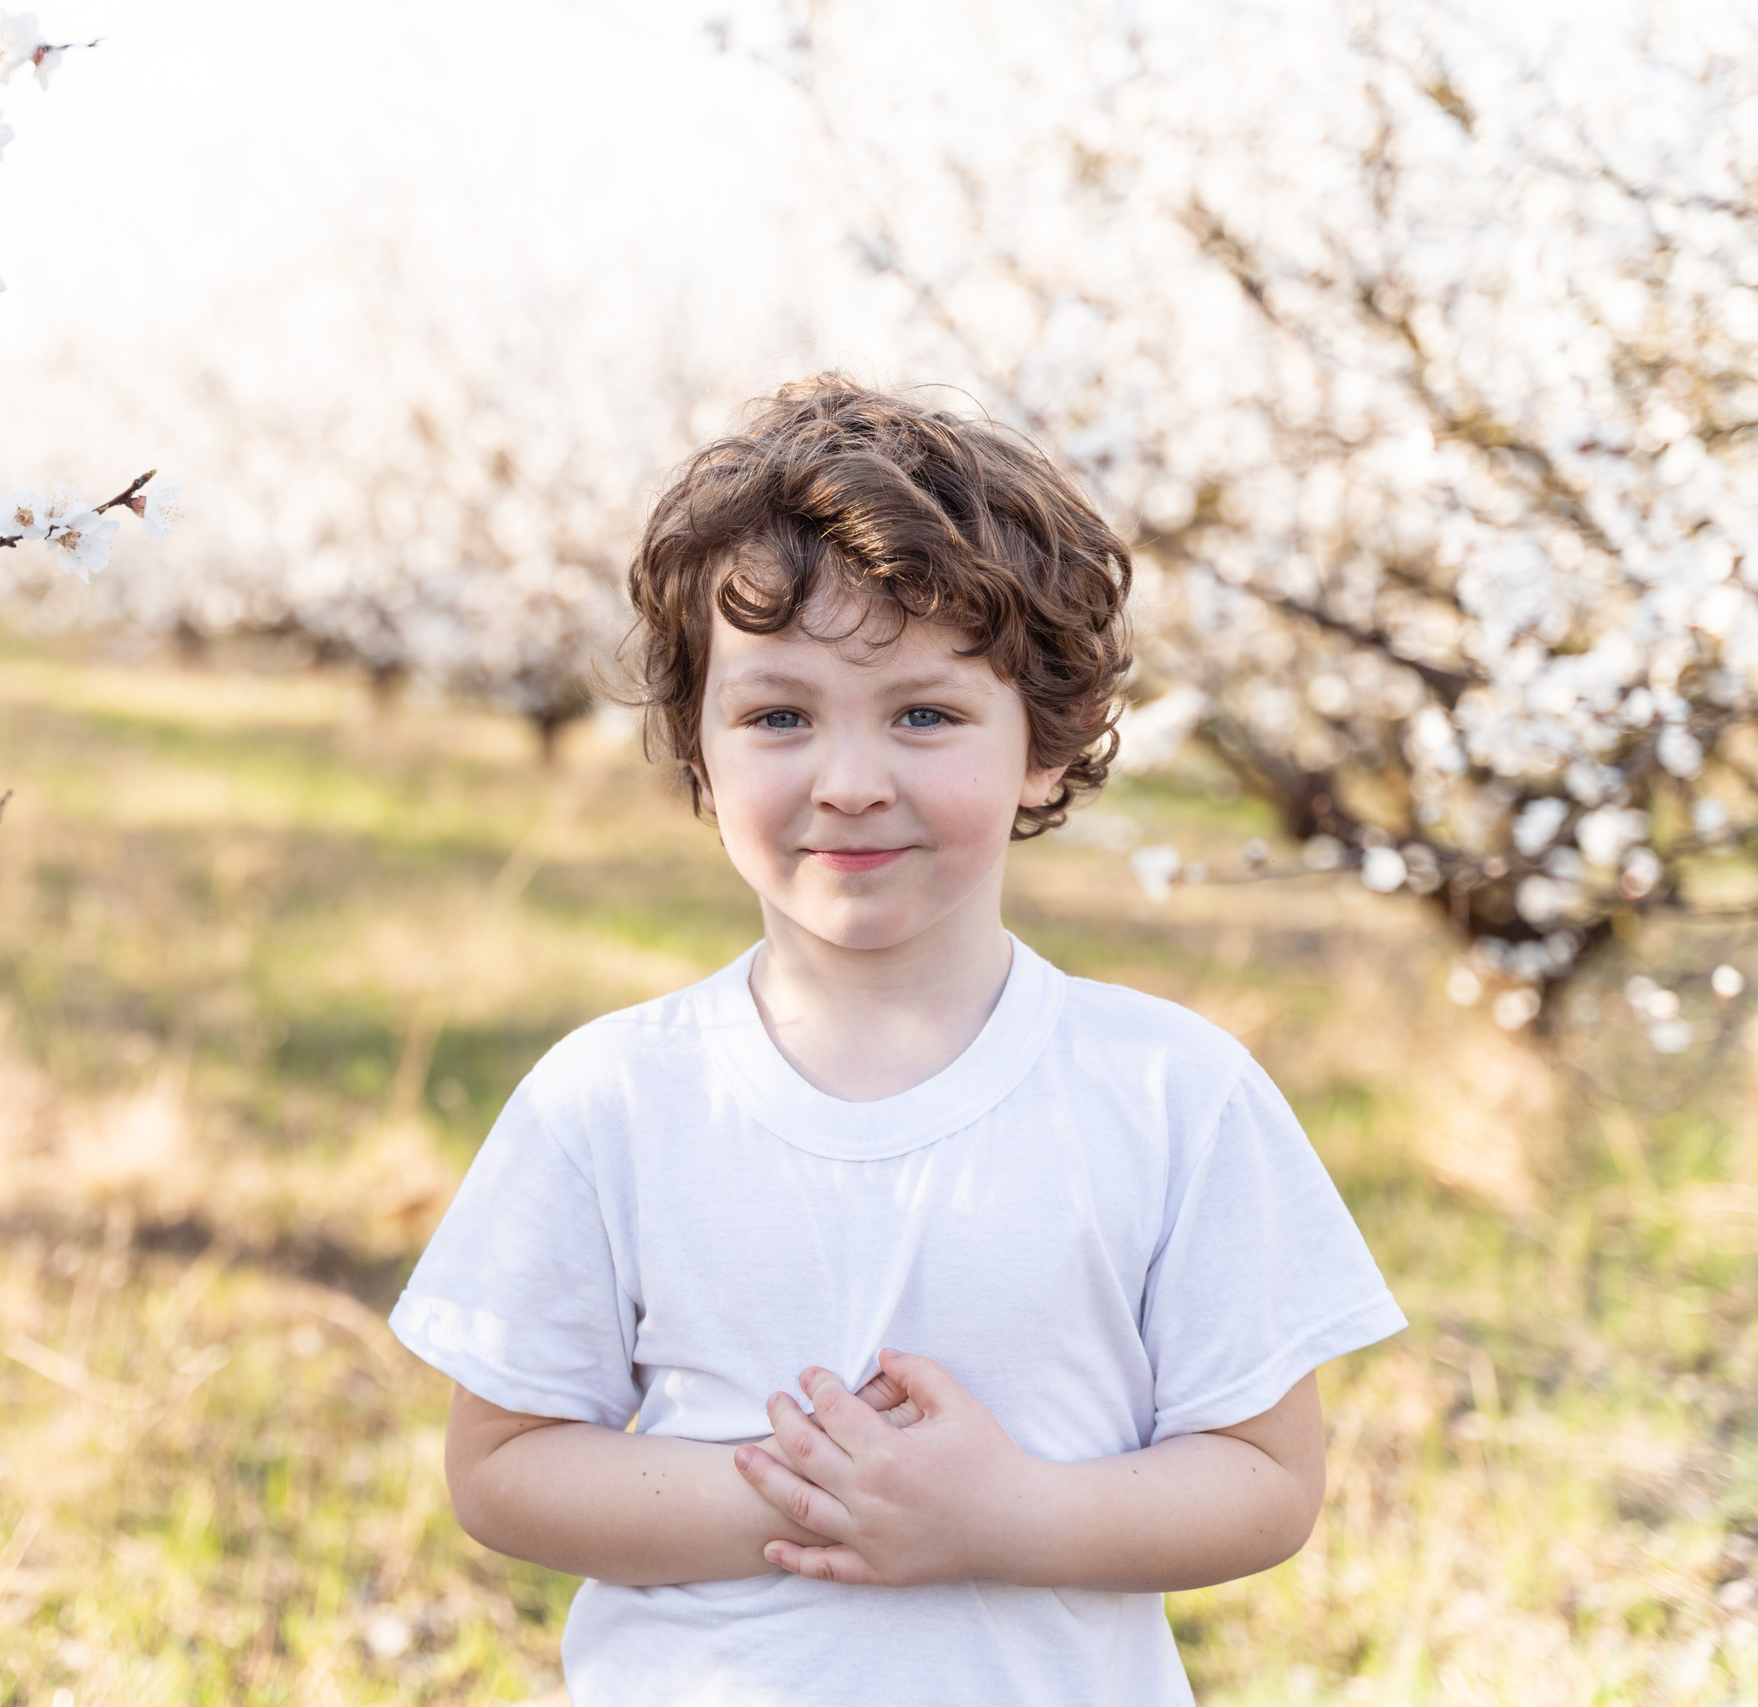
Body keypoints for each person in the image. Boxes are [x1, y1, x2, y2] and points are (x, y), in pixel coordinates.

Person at [387, 377, 1406, 1706]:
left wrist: (999, 1515)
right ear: (697, 751)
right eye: (777, 715)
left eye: (925, 713)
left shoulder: (1171, 1090)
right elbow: (504, 1464)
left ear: (1046, 744)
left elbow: (1267, 1480)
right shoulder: (612, 1097)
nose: (850, 777)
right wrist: (822, 1490)